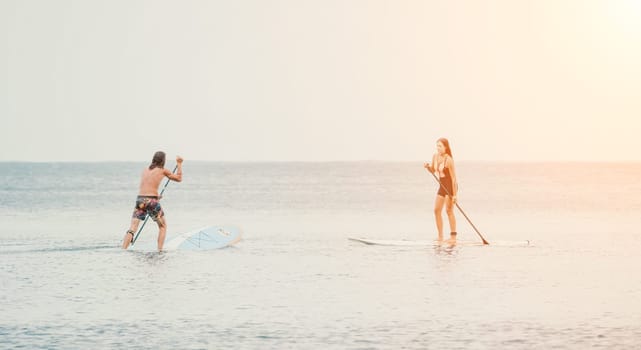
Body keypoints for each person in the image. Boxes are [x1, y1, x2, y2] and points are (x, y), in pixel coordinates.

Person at [122, 151, 183, 251]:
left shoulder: (145, 170)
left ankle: (123, 250)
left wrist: (156, 196)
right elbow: (179, 178)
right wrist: (179, 164)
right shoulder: (162, 170)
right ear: (163, 161)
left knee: (133, 228)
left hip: (140, 200)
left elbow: (148, 186)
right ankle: (160, 251)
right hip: (151, 201)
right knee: (163, 226)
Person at [423, 138, 458, 242]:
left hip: (450, 187)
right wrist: (428, 167)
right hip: (442, 186)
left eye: (440, 146)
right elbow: (433, 171)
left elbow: (454, 178)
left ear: (445, 147)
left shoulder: (449, 160)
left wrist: (455, 195)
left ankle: (453, 237)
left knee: (449, 211)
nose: (438, 148)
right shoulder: (435, 156)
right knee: (436, 210)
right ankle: (440, 236)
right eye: (437, 146)